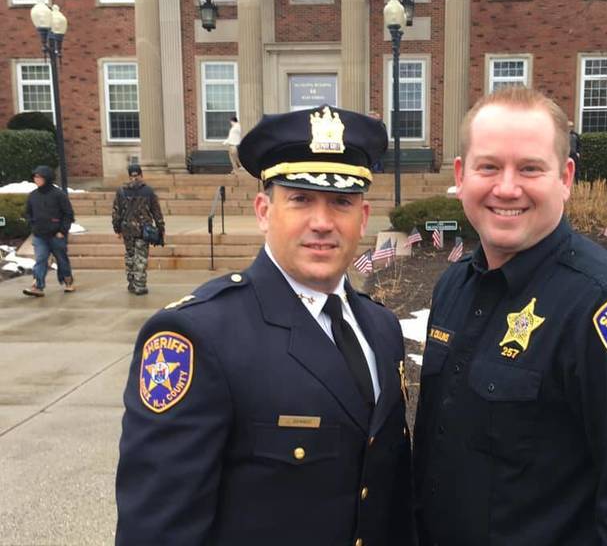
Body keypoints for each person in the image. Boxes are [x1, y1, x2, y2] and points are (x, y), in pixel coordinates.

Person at [116, 105, 414, 545]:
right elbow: (157, 530)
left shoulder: (382, 329)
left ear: (363, 218)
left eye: (341, 202)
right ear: (262, 210)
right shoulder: (199, 336)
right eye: (299, 199)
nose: (322, 223)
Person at [413, 87, 607, 545]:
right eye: (489, 167)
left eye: (530, 168)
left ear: (565, 177)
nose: (507, 188)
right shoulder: (455, 287)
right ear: (462, 175)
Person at [111, 164, 165, 295]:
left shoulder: (121, 191)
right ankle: (140, 285)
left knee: (130, 256)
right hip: (143, 230)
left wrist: (117, 229)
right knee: (140, 257)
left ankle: (131, 283)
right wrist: (161, 228)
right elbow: (156, 212)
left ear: (129, 176)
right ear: (141, 175)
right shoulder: (148, 191)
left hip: (127, 229)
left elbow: (116, 212)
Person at [22, 165, 75, 297]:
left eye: (39, 177)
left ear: (47, 178)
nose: (36, 179)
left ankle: (68, 280)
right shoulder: (33, 196)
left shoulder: (59, 195)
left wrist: (62, 230)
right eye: (35, 177)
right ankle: (37, 285)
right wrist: (33, 225)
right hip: (40, 235)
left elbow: (68, 214)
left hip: (57, 235)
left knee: (61, 259)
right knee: (40, 259)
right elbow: (27, 213)